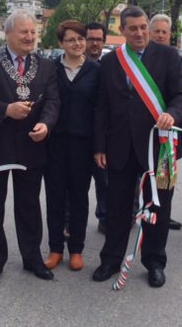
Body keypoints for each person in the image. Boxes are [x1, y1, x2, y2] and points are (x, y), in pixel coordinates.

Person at [92, 6, 182, 288]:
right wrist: (99, 146)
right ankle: (111, 260)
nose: (139, 33)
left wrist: (173, 113)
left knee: (157, 207)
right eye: (132, 28)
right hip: (119, 147)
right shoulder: (112, 62)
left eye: (143, 27)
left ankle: (155, 262)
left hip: (158, 147)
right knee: (117, 207)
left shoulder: (169, 56)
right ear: (122, 31)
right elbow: (101, 107)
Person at [0, 8, 60, 286]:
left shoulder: (45, 65)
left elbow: (53, 101)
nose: (30, 37)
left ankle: (32, 258)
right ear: (7, 34)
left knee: (29, 205)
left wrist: (46, 125)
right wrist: (5, 109)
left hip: (32, 145)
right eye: (24, 32)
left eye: (33, 32)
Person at [44, 20, 100, 272]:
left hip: (83, 145)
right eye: (71, 40)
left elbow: (101, 111)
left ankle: (76, 249)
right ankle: (56, 248)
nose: (77, 44)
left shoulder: (95, 70)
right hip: (54, 143)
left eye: (81, 39)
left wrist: (99, 146)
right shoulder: (50, 68)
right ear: (61, 44)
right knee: (55, 196)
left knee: (79, 198)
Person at [148, 14, 182, 231]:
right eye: (157, 31)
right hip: (136, 136)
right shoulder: (136, 58)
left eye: (165, 32)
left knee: (163, 188)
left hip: (164, 135)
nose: (160, 35)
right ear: (149, 33)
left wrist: (173, 114)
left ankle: (155, 255)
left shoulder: (173, 57)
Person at [84, 22, 108, 234]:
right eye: (90, 38)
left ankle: (104, 218)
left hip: (104, 136)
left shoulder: (110, 66)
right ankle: (69, 222)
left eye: (98, 39)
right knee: (75, 185)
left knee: (104, 183)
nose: (94, 43)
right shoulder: (74, 65)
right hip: (79, 135)